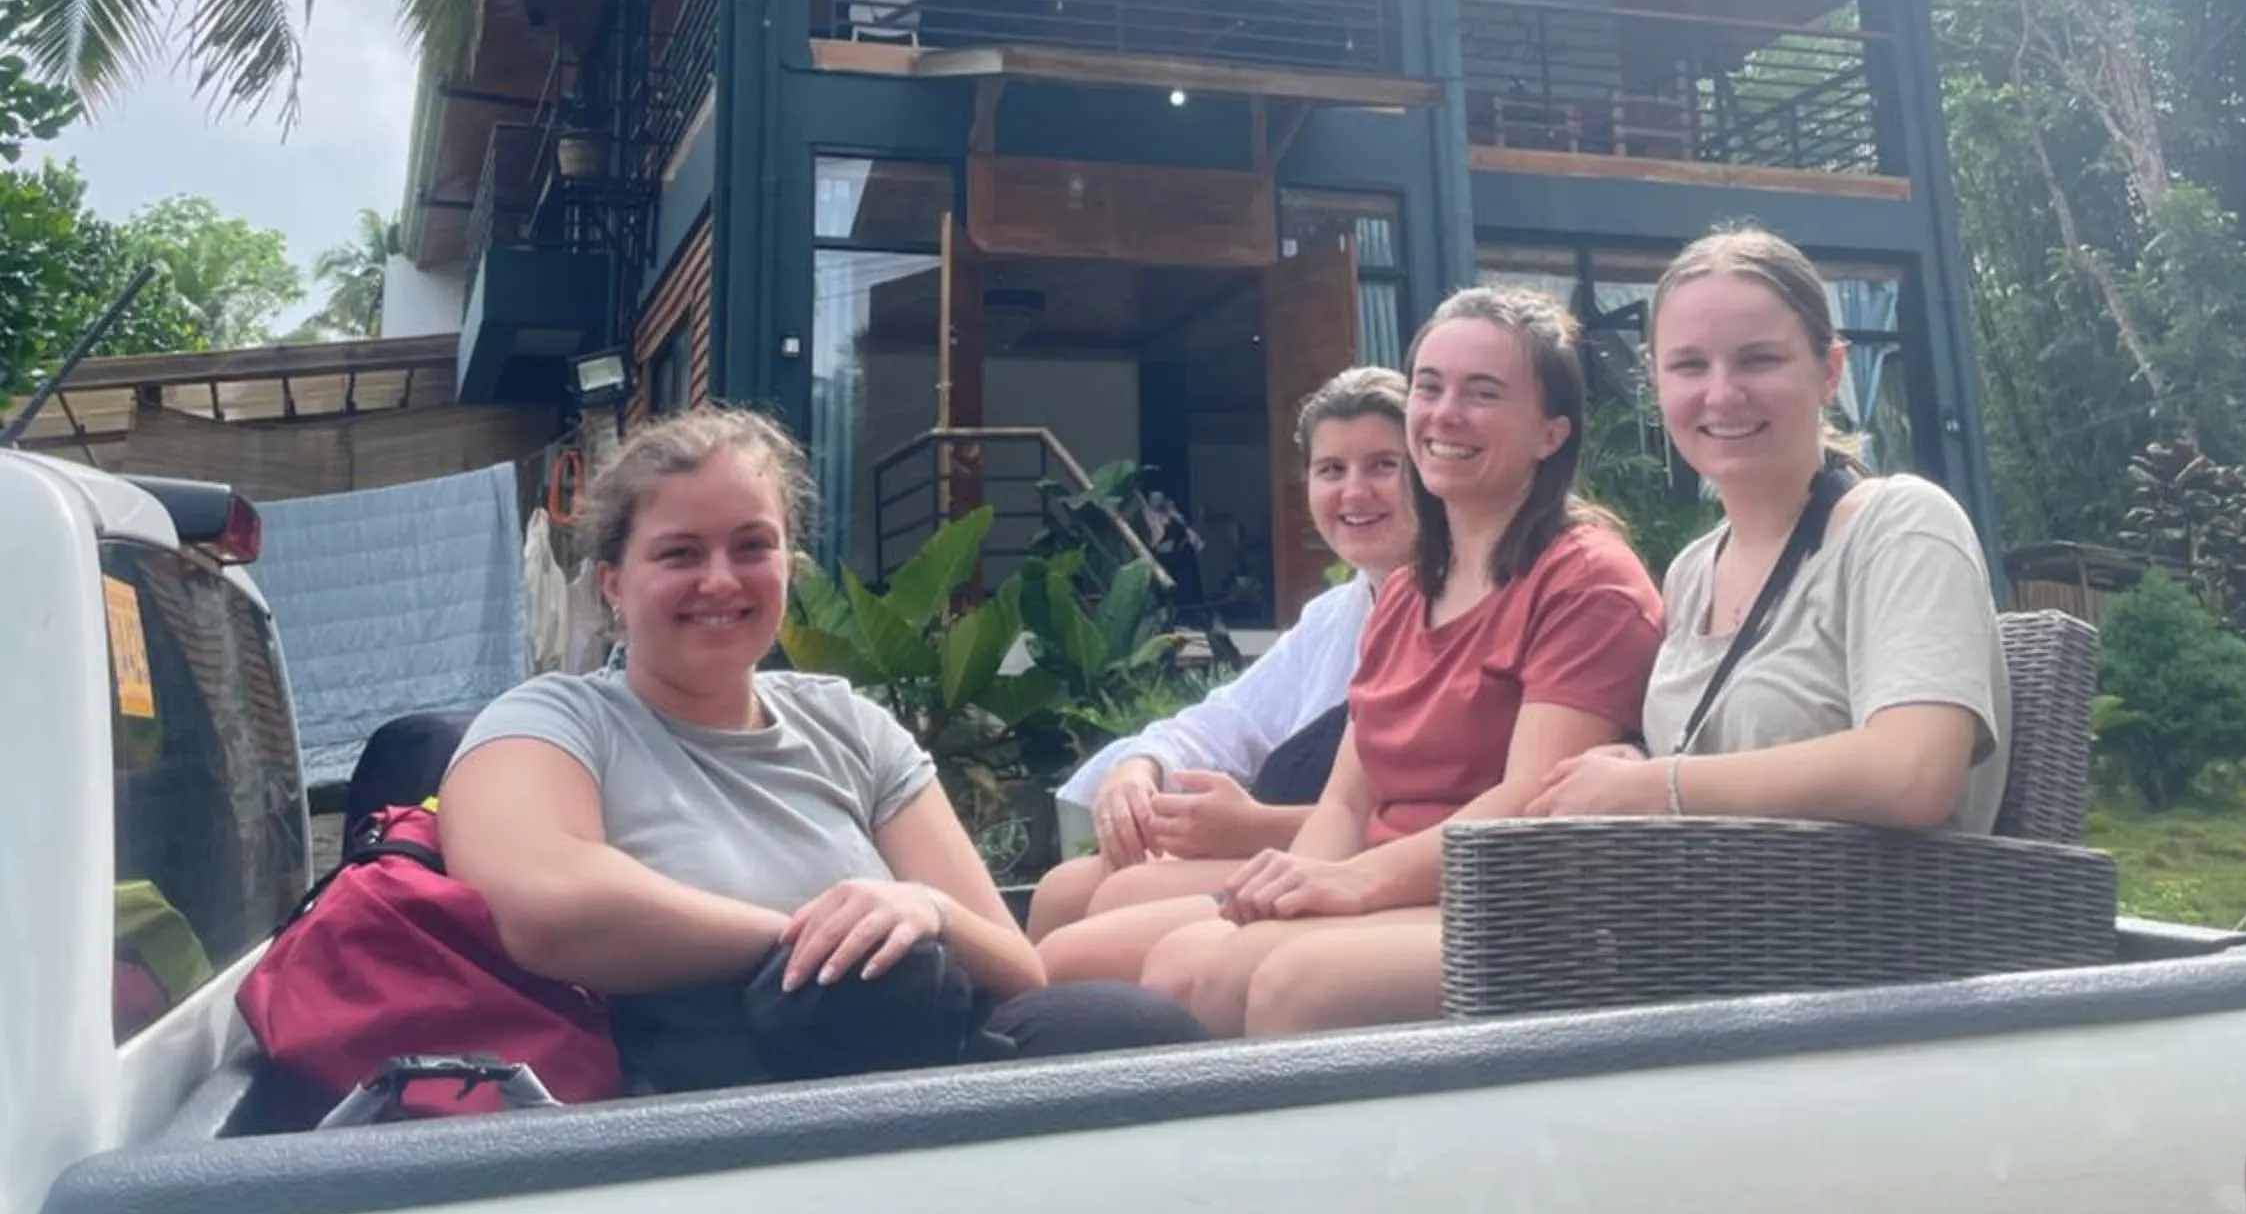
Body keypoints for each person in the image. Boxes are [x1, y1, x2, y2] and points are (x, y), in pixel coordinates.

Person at [440, 407, 1200, 1091]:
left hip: (918, 1072)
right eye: (678, 554)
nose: (719, 580)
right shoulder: (553, 724)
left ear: (788, 565)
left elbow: (1014, 965)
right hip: (702, 1111)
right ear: (612, 582)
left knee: (1130, 1030)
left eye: (751, 546)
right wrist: (822, 937)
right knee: (869, 988)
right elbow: (553, 908)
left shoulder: (850, 726)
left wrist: (919, 908)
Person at [1046, 285, 1663, 1036]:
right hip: (1387, 880)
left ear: (1550, 432)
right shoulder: (1405, 593)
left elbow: (1529, 804)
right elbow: (1345, 803)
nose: (1444, 414)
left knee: (1236, 973)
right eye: (1430, 388)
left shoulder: (1585, 579)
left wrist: (1348, 883)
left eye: (1484, 392)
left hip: (1505, 896)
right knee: (1077, 956)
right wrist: (1298, 882)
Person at [1529, 226, 2009, 831]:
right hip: (1714, 918)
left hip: (1871, 921)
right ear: (1657, 383)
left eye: (1759, 359)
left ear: (1831, 370)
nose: (1722, 394)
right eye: (1689, 365)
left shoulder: (1902, 526)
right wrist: (1635, 766)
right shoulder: (1692, 573)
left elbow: (1914, 772)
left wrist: (1659, 785)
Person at [1027, 367, 1416, 950]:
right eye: (1331, 470)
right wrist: (1142, 765)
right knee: (1062, 891)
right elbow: (1225, 723)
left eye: (1383, 466)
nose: (1353, 493)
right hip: (1307, 847)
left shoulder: (1464, 607)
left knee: (1112, 903)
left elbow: (1445, 809)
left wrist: (1252, 830)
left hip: (1379, 866)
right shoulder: (1336, 616)